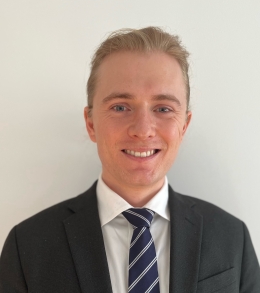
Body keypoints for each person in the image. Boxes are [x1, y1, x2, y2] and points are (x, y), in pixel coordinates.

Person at [0, 27, 259, 293]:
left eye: (163, 109)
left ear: (184, 126)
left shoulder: (232, 237)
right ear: (91, 123)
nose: (143, 129)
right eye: (121, 107)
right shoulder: (28, 247)